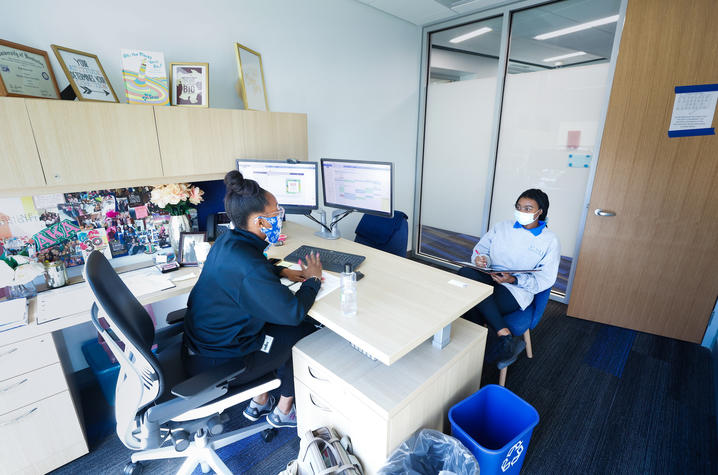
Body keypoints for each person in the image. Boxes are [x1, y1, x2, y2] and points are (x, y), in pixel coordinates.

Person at [181, 170, 323, 428]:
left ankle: (261, 398)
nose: (280, 217)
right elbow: (292, 312)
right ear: (260, 222)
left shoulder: (226, 242)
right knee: (303, 330)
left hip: (203, 346)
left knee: (277, 328)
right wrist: (313, 280)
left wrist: (280, 270)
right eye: (276, 213)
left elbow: (247, 270)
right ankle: (284, 409)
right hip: (223, 364)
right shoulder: (248, 266)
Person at [459, 189, 560, 362]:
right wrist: (481, 259)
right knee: (464, 272)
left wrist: (514, 279)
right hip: (489, 275)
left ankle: (471, 348)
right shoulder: (502, 227)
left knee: (472, 299)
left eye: (528, 208)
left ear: (540, 212)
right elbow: (480, 249)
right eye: (519, 207)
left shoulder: (549, 240)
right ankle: (502, 334)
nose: (522, 212)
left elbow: (546, 278)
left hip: (515, 290)